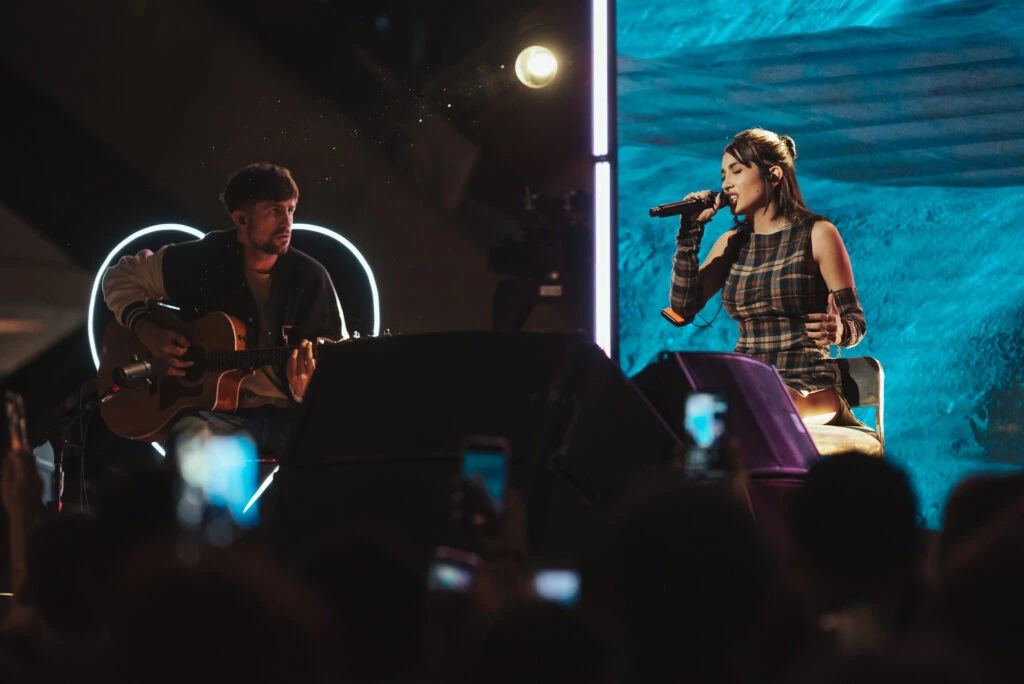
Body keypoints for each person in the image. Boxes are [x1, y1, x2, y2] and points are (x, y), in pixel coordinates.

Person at [102, 163, 346, 453]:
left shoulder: (311, 279)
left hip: (286, 419)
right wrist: (148, 332)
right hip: (215, 416)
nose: (286, 223)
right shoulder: (205, 259)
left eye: (291, 209)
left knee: (334, 444)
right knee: (190, 437)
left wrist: (306, 390)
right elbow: (120, 277)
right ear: (241, 219)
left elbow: (338, 370)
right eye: (273, 211)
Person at [668, 129, 866, 425]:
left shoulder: (817, 234)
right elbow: (683, 308)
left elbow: (855, 321)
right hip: (750, 384)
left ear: (773, 176)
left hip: (809, 386)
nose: (726, 184)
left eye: (736, 171)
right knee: (691, 410)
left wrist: (840, 331)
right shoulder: (731, 244)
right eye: (723, 176)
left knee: (760, 408)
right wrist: (689, 232)